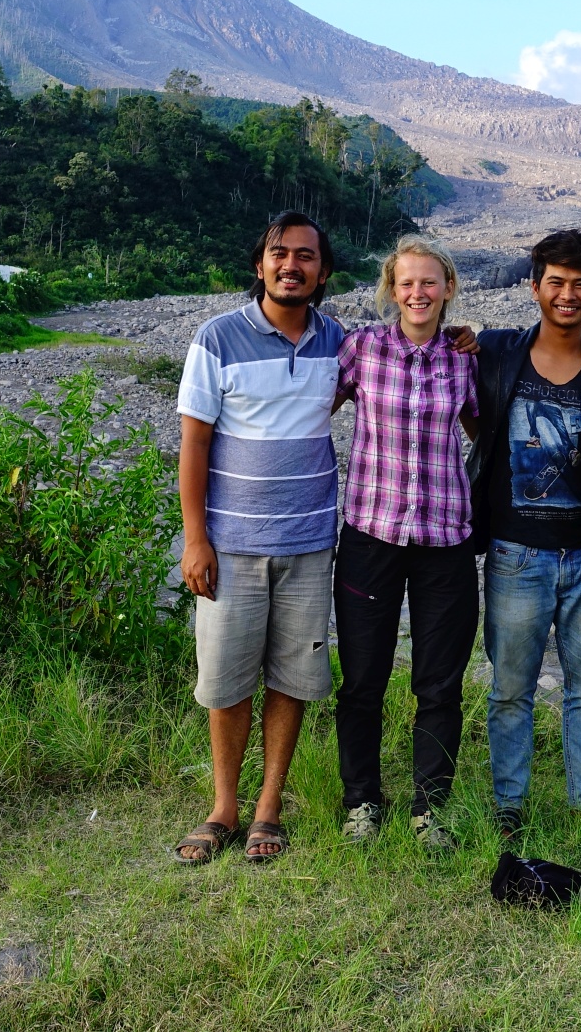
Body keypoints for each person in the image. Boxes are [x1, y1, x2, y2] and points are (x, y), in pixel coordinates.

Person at [171, 211, 343, 865]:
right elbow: (194, 442)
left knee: (293, 676)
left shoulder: (338, 342)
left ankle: (269, 805)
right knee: (226, 679)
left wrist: (462, 340)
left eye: (305, 255)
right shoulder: (216, 339)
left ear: (322, 272)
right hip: (231, 545)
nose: (291, 265)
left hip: (307, 544)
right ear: (260, 264)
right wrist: (195, 538)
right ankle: (223, 807)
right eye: (280, 253)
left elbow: (393, 367)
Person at [468, 227, 581, 840]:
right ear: (534, 285)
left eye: (580, 284)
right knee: (510, 687)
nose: (567, 295)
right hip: (517, 556)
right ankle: (508, 806)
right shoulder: (494, 352)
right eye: (556, 282)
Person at [331, 234, 481, 851]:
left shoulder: (465, 357)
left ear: (447, 289)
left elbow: (483, 428)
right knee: (363, 678)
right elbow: (316, 410)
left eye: (429, 282)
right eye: (406, 283)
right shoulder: (362, 348)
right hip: (372, 534)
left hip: (445, 540)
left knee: (440, 683)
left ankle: (431, 809)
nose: (417, 293)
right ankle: (362, 800)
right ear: (391, 291)